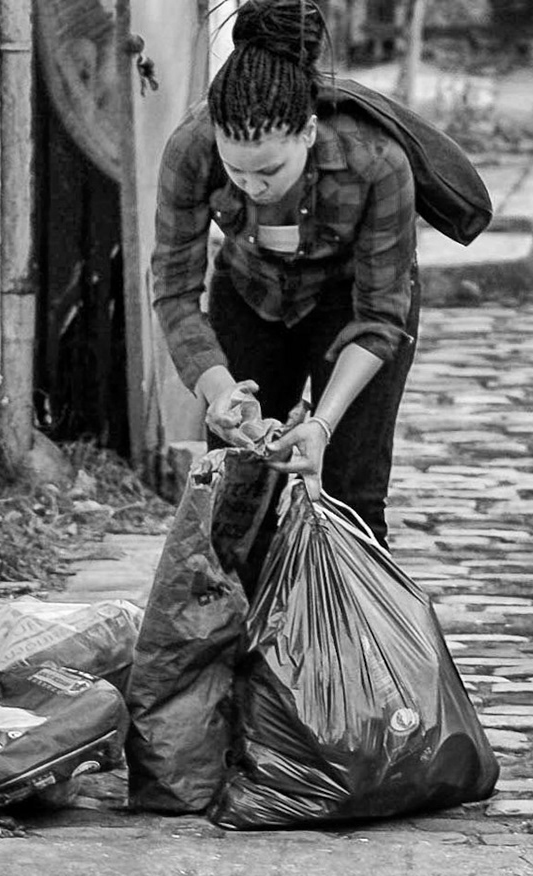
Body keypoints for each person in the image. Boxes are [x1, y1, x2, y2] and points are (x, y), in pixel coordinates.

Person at [151, 0, 419, 545]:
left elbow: (381, 318)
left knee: (352, 496)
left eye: (270, 169)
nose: (252, 186)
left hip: (354, 313)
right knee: (236, 498)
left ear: (309, 132)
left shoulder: (377, 161)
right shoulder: (190, 146)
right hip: (250, 297)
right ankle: (242, 630)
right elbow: (175, 292)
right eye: (236, 170)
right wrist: (222, 393)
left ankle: (345, 630)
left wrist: (321, 424)